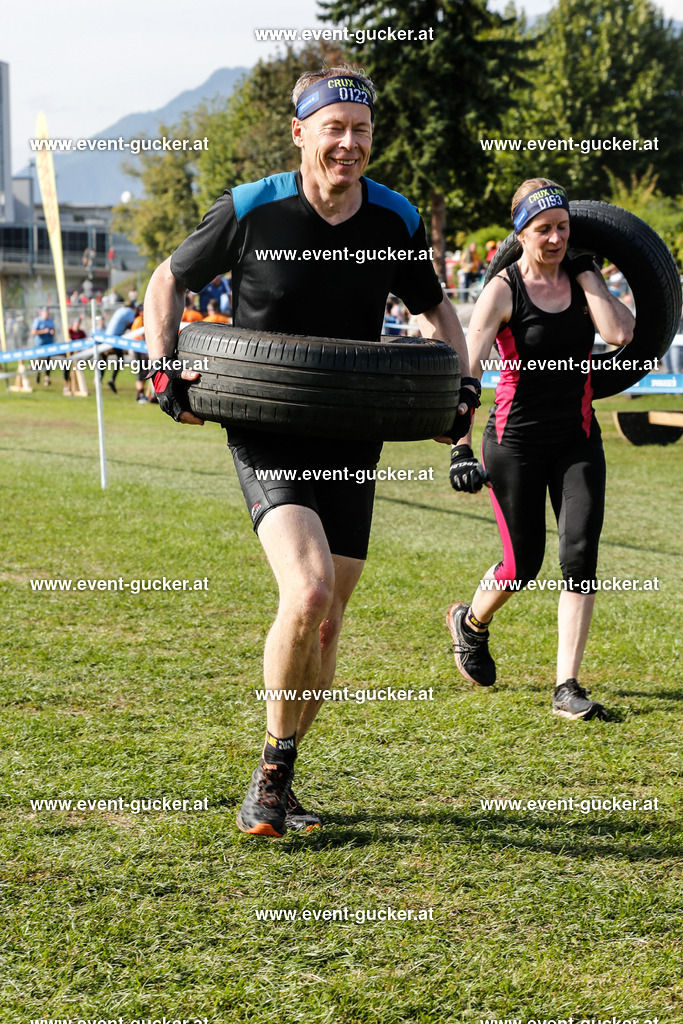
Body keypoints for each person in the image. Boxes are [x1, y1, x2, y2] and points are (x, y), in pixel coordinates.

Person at [144, 63, 478, 837]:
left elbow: (437, 314)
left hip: (352, 431)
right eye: (333, 128)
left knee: (328, 625)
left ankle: (285, 770)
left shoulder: (391, 219)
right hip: (267, 422)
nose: (348, 144)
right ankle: (265, 782)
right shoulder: (252, 209)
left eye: (360, 130)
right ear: (300, 133)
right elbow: (167, 280)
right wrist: (163, 365)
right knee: (310, 591)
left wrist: (457, 389)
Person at [445, 178, 635, 720]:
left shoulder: (580, 276)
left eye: (562, 228)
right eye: (543, 229)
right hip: (514, 443)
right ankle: (471, 622)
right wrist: (460, 448)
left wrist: (590, 271)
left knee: (579, 557)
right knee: (521, 565)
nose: (554, 239)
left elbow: (620, 333)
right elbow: (469, 372)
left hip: (577, 441)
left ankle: (567, 685)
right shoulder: (503, 290)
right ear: (521, 233)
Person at [101, 302, 136, 393]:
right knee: (120, 359)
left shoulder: (120, 310)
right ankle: (112, 380)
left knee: (104, 357)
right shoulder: (130, 312)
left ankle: (99, 378)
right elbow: (133, 326)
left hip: (107, 336)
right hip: (114, 338)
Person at [31, 307, 55, 385]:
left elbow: (53, 331)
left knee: (48, 360)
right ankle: (38, 373)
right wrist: (43, 331)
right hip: (39, 344)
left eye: (48, 313)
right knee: (39, 361)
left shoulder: (50, 320)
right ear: (42, 313)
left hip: (49, 343)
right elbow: (33, 332)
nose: (47, 314)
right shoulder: (37, 320)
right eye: (46, 313)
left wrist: (52, 333)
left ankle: (47, 377)